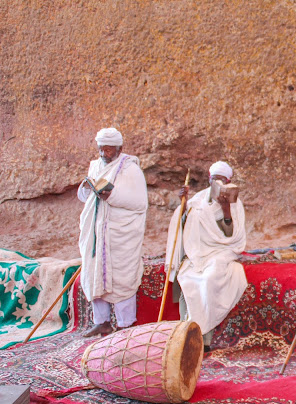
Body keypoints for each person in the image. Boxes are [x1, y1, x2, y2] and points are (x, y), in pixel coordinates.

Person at [165, 161, 247, 351]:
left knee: (210, 280)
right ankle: (187, 334)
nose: (217, 183)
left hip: (220, 251)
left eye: (221, 180)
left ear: (229, 181)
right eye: (214, 180)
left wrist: (226, 211)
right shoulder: (198, 200)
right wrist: (183, 205)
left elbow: (231, 235)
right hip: (198, 252)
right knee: (187, 279)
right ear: (209, 180)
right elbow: (184, 225)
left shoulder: (235, 205)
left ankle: (204, 339)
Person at [78, 128, 148, 337]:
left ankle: (125, 325)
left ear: (119, 148)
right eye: (101, 149)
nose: (104, 154)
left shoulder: (130, 170)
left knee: (122, 276)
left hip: (121, 233)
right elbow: (86, 199)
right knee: (94, 272)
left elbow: (140, 203)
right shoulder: (95, 166)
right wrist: (86, 187)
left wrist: (112, 195)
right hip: (97, 231)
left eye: (109, 150)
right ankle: (102, 322)